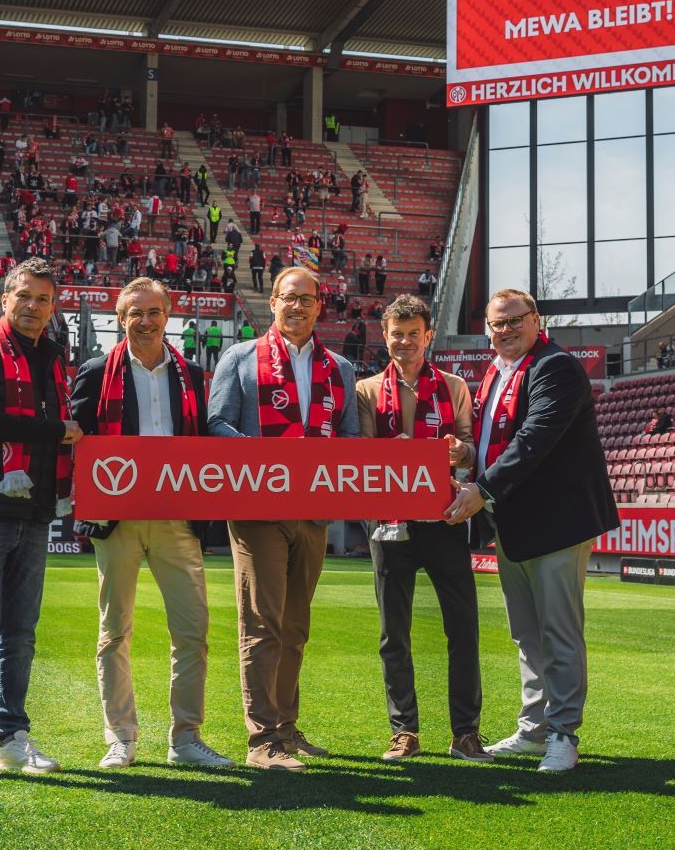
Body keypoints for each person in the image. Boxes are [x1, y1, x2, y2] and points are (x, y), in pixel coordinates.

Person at [441, 288, 617, 774]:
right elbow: (496, 443)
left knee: (558, 632)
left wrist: (480, 488)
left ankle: (563, 733)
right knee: (527, 635)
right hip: (513, 520)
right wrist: (466, 457)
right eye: (497, 324)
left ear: (537, 320)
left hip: (557, 521)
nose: (506, 330)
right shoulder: (496, 373)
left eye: (515, 320)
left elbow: (533, 439)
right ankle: (535, 729)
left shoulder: (556, 367)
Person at [68, 278, 234, 770]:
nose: (145, 321)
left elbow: (202, 444)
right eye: (135, 313)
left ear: (169, 316)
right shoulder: (97, 372)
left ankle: (186, 737)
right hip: (118, 522)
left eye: (154, 312)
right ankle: (121, 736)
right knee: (114, 632)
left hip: (176, 522)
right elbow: (78, 441)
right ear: (121, 318)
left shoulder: (191, 375)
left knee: (191, 632)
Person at [207, 266, 360, 771]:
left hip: (314, 513)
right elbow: (217, 423)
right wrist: (262, 461)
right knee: (262, 623)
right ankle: (262, 740)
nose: (298, 307)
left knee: (295, 626)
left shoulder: (339, 367)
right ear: (272, 302)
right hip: (257, 509)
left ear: (320, 306)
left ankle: (288, 728)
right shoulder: (240, 357)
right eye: (288, 298)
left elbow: (351, 440)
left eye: (308, 300)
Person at [0, 258, 86, 782]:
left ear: (53, 307)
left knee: (21, 632)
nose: (33, 307)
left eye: (44, 300)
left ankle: (12, 735)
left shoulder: (53, 356)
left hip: (34, 511)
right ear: (4, 299)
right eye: (24, 297)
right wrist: (57, 431)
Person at [353, 295, 486, 763]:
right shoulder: (366, 390)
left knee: (464, 627)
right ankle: (404, 731)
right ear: (385, 337)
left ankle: (466, 733)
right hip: (390, 524)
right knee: (395, 632)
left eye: (414, 333)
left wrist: (457, 452)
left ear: (428, 336)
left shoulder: (453, 386)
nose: (405, 341)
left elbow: (471, 449)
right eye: (397, 333)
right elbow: (363, 454)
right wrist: (399, 453)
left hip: (445, 518)